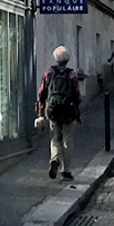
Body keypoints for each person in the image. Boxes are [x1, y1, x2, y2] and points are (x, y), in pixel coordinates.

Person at [36, 47, 83, 181]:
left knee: (55, 138)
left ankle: (55, 158)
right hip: (68, 112)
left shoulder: (49, 73)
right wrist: (78, 113)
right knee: (67, 140)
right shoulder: (72, 74)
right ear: (67, 59)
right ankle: (66, 171)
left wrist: (40, 111)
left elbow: (41, 94)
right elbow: (77, 96)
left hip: (52, 111)